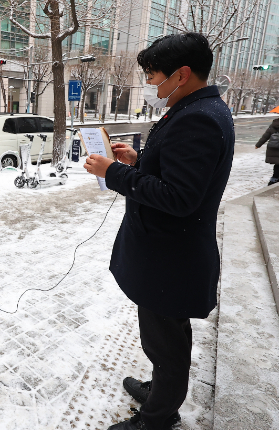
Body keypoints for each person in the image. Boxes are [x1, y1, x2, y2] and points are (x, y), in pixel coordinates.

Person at [83, 33, 234, 430]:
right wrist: (140, 161)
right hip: (166, 255)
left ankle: (157, 417)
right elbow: (179, 174)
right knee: (163, 339)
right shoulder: (198, 108)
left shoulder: (198, 118)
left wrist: (113, 173)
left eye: (154, 76)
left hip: (171, 258)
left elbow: (180, 197)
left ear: (182, 74)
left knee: (167, 345)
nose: (151, 84)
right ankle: (161, 391)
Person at [255, 117, 279, 185]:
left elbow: (266, 136)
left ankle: (273, 180)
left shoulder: (274, 125)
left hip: (273, 149)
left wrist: (258, 145)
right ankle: (274, 180)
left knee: (277, 165)